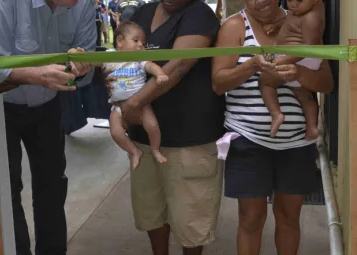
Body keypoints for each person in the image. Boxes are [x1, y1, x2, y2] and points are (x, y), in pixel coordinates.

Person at [0, 0, 96, 254]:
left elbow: (85, 56)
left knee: (52, 183)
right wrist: (37, 74)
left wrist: (80, 67)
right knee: (5, 188)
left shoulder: (83, 4)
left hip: (48, 100)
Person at [211, 0, 334, 254]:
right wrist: (251, 66)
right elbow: (218, 83)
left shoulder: (301, 21)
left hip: (297, 141)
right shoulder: (234, 26)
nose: (258, 1)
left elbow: (327, 83)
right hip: (248, 137)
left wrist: (298, 73)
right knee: (250, 219)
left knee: (289, 217)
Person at [108, 0, 225, 254]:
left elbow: (179, 65)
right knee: (151, 211)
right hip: (144, 138)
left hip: (189, 139)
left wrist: (133, 104)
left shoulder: (199, 14)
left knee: (191, 222)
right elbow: (122, 56)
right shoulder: (143, 13)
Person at [96, 21, 169, 169]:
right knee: (116, 132)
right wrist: (80, 56)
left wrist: (160, 74)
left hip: (142, 103)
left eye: (143, 42)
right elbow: (91, 61)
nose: (141, 45)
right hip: (117, 105)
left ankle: (155, 149)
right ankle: (134, 151)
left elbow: (150, 66)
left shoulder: (138, 58)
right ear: (120, 41)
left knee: (153, 126)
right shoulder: (108, 56)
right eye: (136, 40)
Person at [259, 0, 325, 139]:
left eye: (299, 0)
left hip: (300, 59)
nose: (293, 5)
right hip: (301, 60)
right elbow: (290, 22)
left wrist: (285, 60)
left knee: (265, 82)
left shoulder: (311, 17)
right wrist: (276, 25)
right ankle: (312, 127)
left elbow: (309, 48)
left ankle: (276, 114)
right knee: (304, 96)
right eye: (289, 0)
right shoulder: (302, 10)